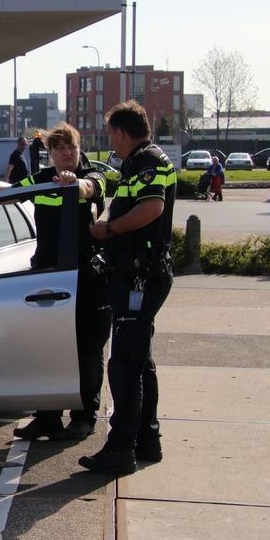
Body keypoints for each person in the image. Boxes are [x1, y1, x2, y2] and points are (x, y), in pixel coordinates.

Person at [0, 122, 110, 441]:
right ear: (51, 153)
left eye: (71, 147)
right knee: (44, 348)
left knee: (86, 350)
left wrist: (74, 183)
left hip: (85, 279)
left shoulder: (92, 176)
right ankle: (47, 417)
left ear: (79, 148)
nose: (67, 153)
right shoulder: (43, 179)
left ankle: (84, 415)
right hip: (47, 277)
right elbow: (10, 193)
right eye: (60, 148)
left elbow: (91, 188)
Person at [81, 99, 176, 475]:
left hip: (140, 276)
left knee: (123, 367)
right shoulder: (141, 161)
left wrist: (110, 230)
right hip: (141, 273)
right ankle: (146, 439)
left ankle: (121, 448)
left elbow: (151, 209)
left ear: (121, 132)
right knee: (139, 363)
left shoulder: (147, 161)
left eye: (111, 136)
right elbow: (126, 203)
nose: (112, 144)